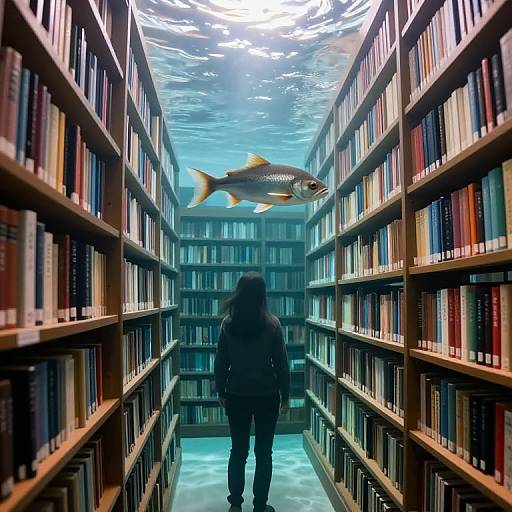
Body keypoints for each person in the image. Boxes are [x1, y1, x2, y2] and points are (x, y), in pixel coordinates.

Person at [214, 271, 290, 512]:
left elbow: (221, 361)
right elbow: (282, 364)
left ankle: (235, 504)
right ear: (262, 295)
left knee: (238, 451)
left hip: (236, 395)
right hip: (267, 396)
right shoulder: (272, 324)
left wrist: (220, 390)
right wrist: (286, 394)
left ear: (239, 293)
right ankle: (260, 506)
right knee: (264, 453)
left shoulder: (228, 323)